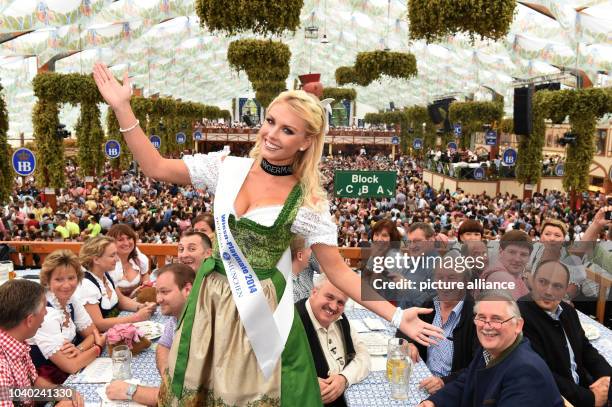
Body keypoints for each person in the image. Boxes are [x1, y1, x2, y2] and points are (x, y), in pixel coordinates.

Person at [93, 63, 443, 407]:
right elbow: (155, 166)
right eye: (270, 122)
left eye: (288, 131)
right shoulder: (226, 168)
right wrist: (123, 108)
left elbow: (337, 272)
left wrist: (396, 316)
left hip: (259, 310)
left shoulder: (308, 203)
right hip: (209, 300)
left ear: (307, 141)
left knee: (245, 396)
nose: (272, 135)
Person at [418, 290, 563, 407]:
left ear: (518, 325)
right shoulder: (491, 350)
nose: (487, 326)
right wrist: (434, 402)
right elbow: (467, 382)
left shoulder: (526, 372)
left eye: (496, 319)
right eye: (481, 317)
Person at [519, 260, 612, 407]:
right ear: (533, 281)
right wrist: (590, 398)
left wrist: (607, 377)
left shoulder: (568, 311)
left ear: (565, 291)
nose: (548, 291)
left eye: (557, 286)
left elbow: (586, 349)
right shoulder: (520, 317)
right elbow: (539, 374)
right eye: (543, 282)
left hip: (584, 387)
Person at [106, 263, 196, 406]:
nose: (158, 299)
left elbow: (184, 398)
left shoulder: (199, 327)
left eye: (164, 292)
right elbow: (164, 345)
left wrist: (130, 391)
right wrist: (167, 374)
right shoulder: (177, 316)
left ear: (187, 289)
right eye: (157, 292)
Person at [397, 255, 477, 394]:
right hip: (422, 383)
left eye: (452, 278)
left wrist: (444, 382)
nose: (444, 283)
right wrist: (409, 343)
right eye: (440, 277)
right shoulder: (429, 304)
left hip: (454, 392)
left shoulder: (476, 316)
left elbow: (479, 367)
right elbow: (402, 329)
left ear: (465, 281)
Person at [0, 279, 83, 407]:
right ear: (30, 320)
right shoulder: (2, 366)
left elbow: (23, 391)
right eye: (44, 308)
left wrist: (59, 392)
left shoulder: (17, 342)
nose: (46, 312)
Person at [28, 250, 106, 384]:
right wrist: (97, 347)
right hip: (46, 383)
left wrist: (78, 349)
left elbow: (93, 333)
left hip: (68, 372)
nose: (67, 285)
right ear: (47, 281)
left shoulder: (71, 300)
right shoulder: (45, 312)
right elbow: (71, 366)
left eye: (71, 278)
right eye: (59, 279)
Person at [295, 276, 370, 406]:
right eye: (329, 297)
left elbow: (363, 355)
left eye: (341, 302)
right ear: (314, 292)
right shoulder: (292, 320)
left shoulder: (341, 319)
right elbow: (271, 371)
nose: (334, 306)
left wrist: (344, 378)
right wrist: (305, 382)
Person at [78, 236, 156, 332]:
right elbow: (98, 323)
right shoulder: (86, 285)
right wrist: (136, 318)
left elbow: (121, 300)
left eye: (116, 254)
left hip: (115, 331)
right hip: (99, 339)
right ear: (96, 260)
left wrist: (141, 307)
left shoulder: (105, 275)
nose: (117, 259)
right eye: (112, 255)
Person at [481, 230, 533, 300]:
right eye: (512, 252)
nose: (517, 259)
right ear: (500, 251)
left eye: (523, 254)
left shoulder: (514, 276)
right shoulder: (502, 278)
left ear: (529, 257)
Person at [107, 224, 150, 296]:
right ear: (111, 243)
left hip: (139, 303)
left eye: (129, 238)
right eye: (120, 240)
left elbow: (145, 274)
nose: (126, 243)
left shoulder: (138, 260)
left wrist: (146, 286)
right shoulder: (106, 265)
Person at [291, 235, 315, 303]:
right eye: (310, 249)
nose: (312, 253)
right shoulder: (290, 289)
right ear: (300, 256)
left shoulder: (298, 277)